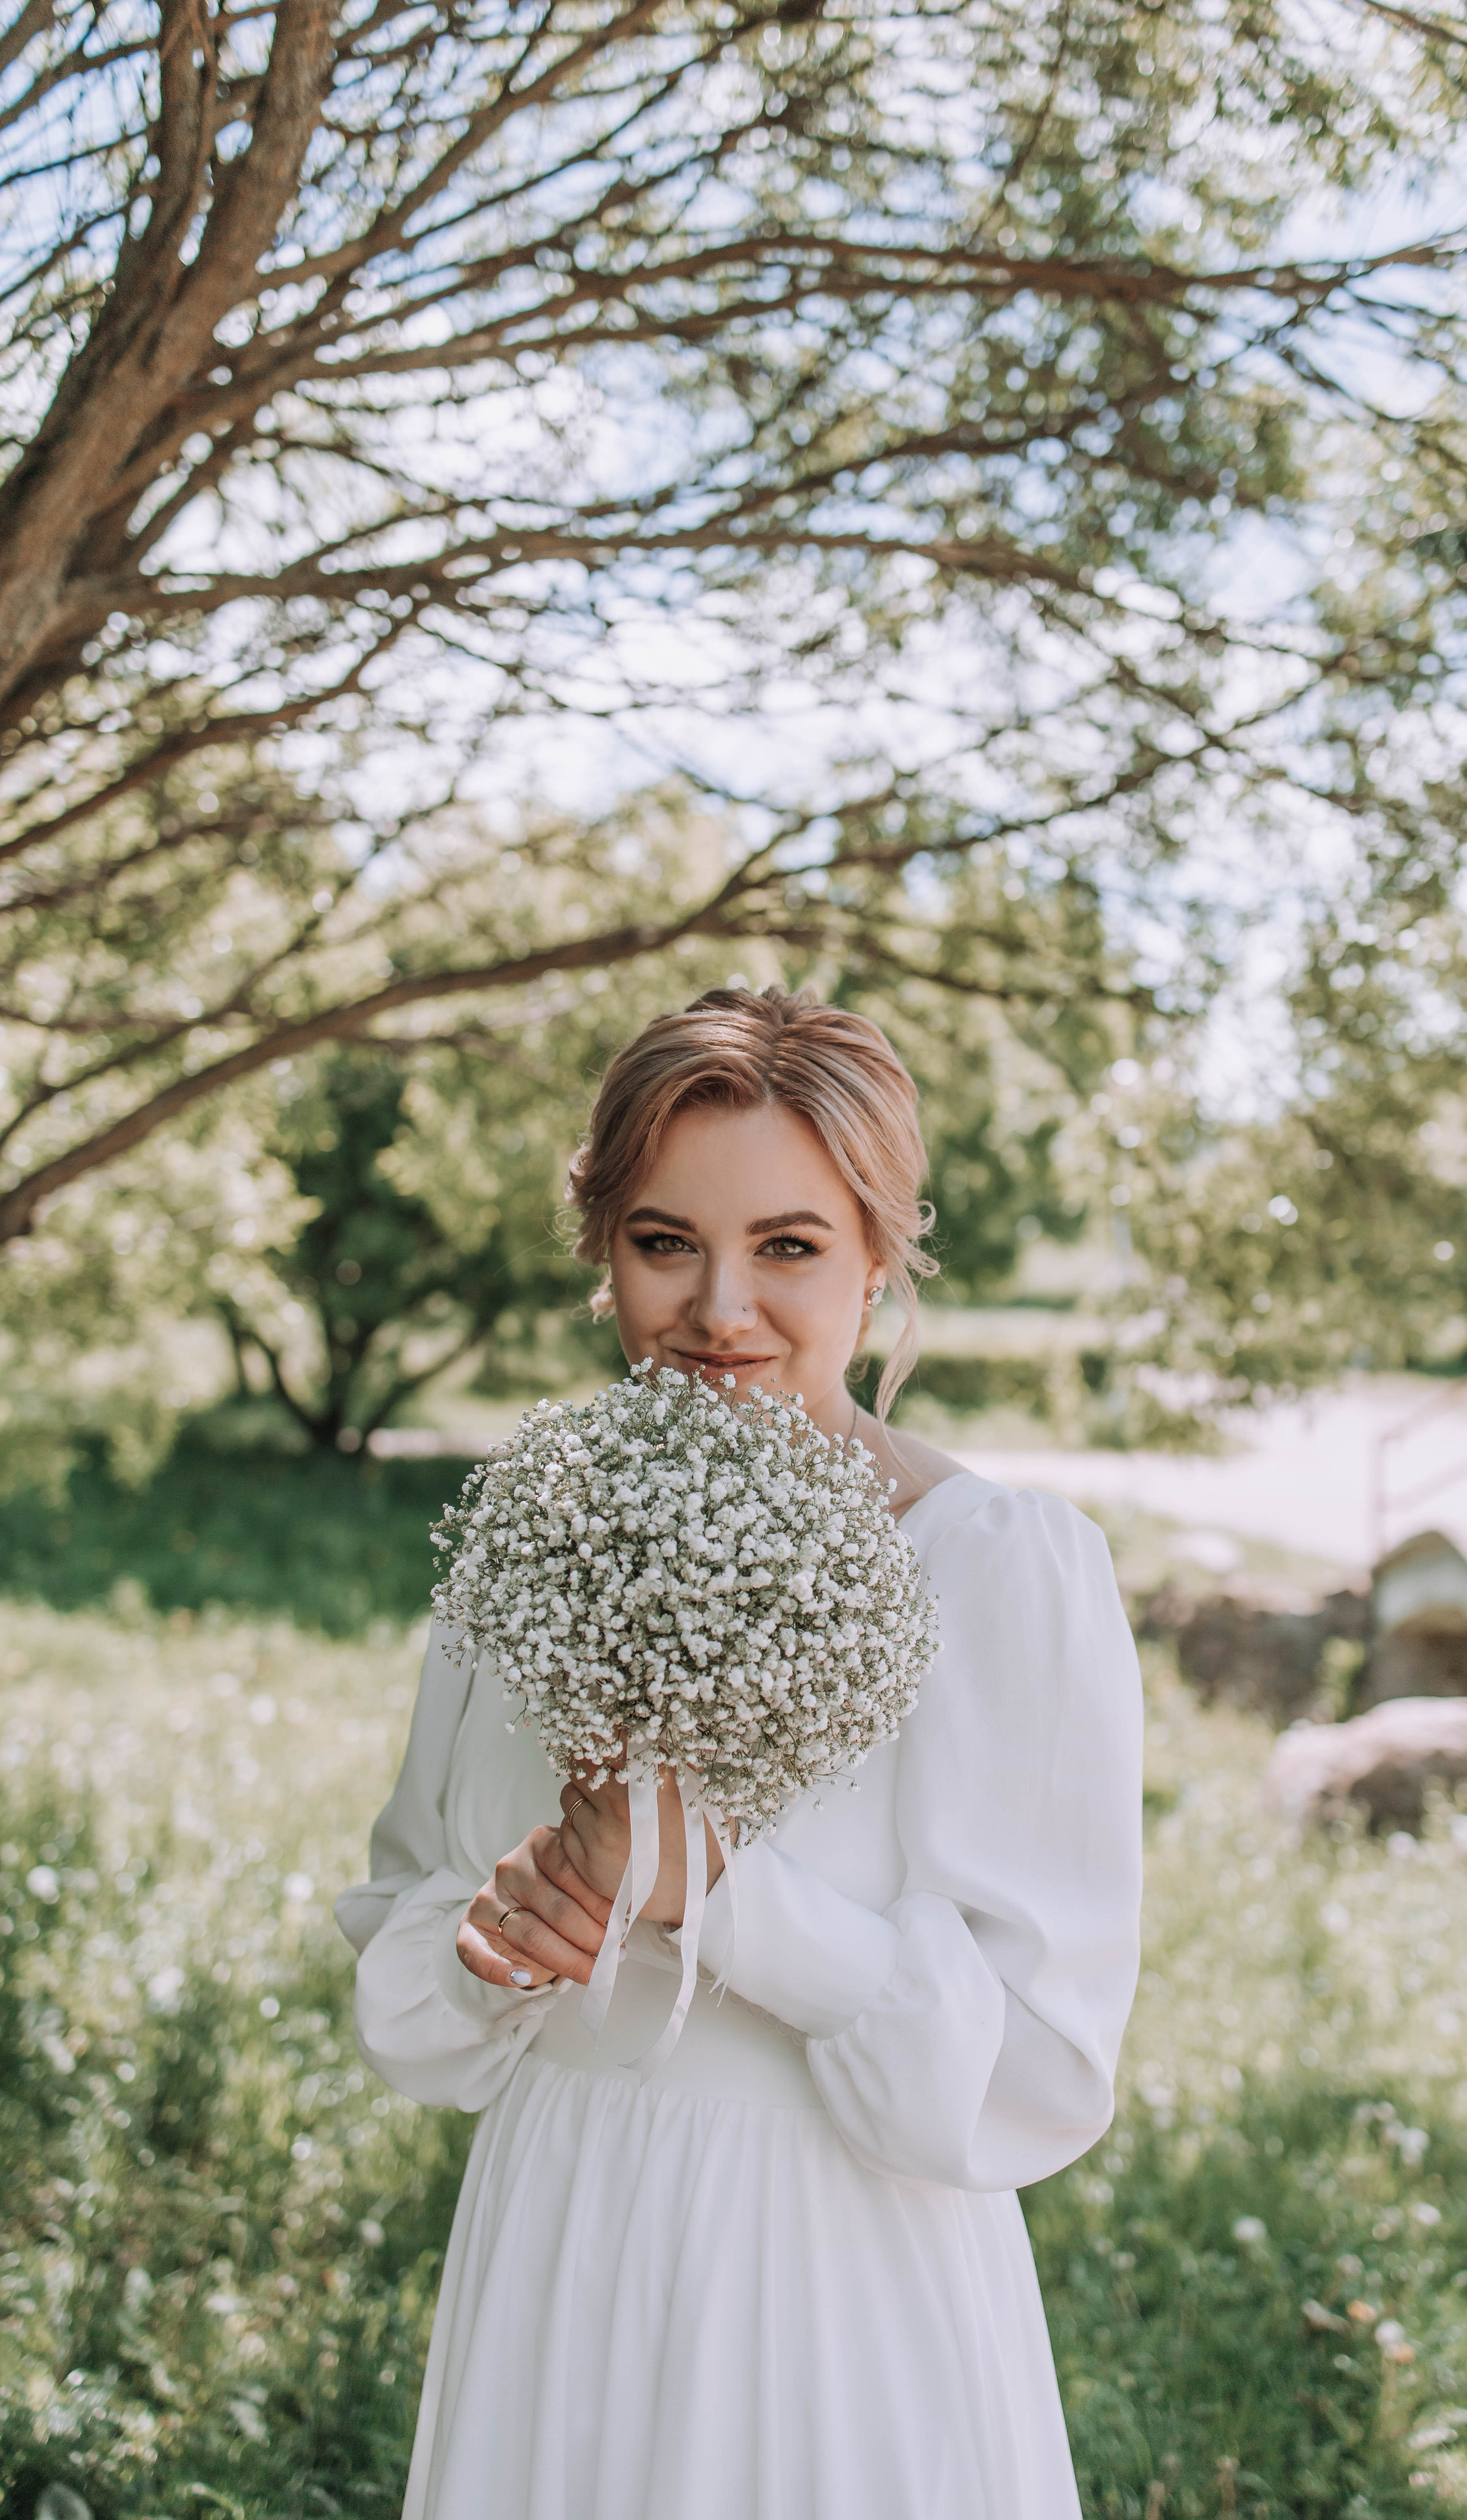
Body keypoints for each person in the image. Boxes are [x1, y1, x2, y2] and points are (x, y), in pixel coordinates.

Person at [336, 986, 1143, 2520]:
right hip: (558, 2241)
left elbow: (1038, 2073)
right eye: (664, 1242)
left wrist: (718, 1899)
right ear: (601, 1250)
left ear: (877, 1256)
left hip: (830, 2281)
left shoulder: (997, 1568)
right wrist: (492, 1947)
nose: (719, 1310)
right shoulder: (525, 1541)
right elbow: (407, 1948)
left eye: (787, 1246)